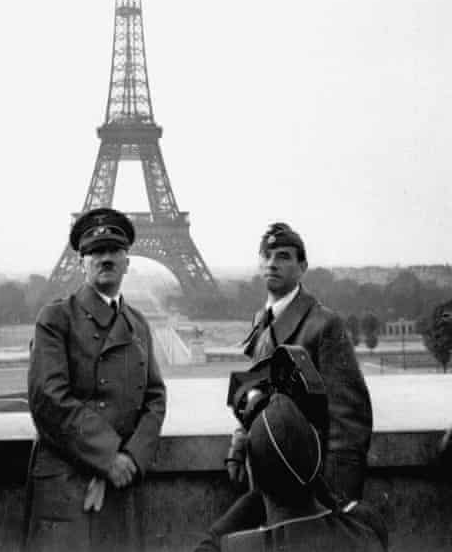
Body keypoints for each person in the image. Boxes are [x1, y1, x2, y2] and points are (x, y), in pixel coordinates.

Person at [195, 222, 372, 551]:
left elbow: (349, 421)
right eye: (267, 256)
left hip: (308, 497)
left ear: (302, 267)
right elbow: (258, 398)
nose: (272, 263)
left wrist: (338, 499)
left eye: (284, 256)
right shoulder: (262, 320)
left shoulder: (324, 325)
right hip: (271, 483)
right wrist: (239, 445)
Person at [25, 207, 167, 552]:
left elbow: (154, 397)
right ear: (81, 262)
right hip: (69, 481)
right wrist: (108, 458)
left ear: (127, 260)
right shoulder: (55, 318)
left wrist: (131, 459)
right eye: (95, 251)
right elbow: (47, 397)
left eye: (114, 250)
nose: (105, 258)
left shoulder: (138, 323)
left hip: (121, 480)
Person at [221, 393, 387, 552]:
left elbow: (213, 538)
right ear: (317, 455)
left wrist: (249, 438)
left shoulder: (235, 547)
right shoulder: (366, 529)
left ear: (252, 471)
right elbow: (336, 508)